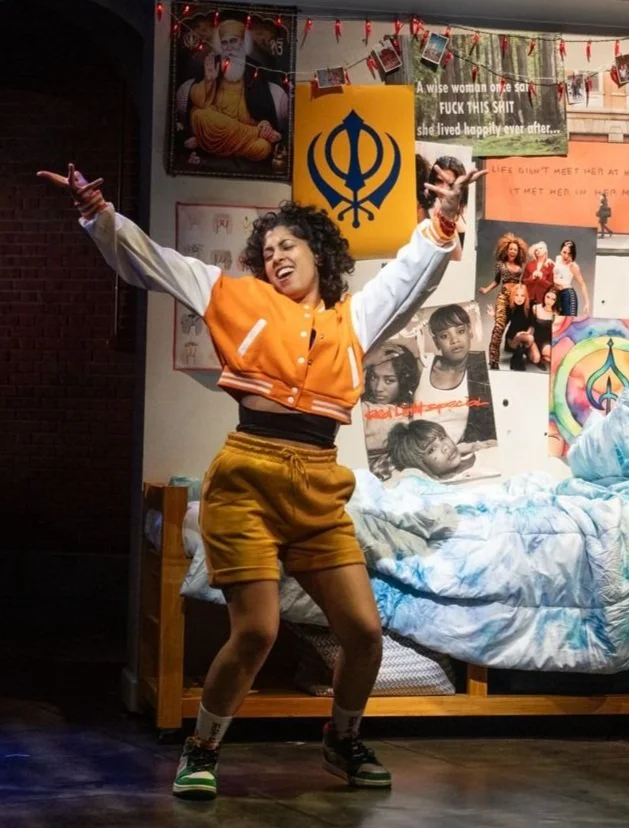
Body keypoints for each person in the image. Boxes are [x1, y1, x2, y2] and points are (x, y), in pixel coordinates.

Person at [37, 158, 482, 800]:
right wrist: (95, 214)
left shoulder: (351, 321)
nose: (276, 256)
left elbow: (411, 273)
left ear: (318, 253)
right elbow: (152, 261)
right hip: (247, 480)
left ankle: (343, 737)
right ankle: (203, 746)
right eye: (267, 249)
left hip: (319, 487)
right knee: (257, 631)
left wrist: (442, 218)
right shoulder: (233, 298)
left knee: (363, 631)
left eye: (288, 244)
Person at [181, 18, 287, 164]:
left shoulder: (254, 68)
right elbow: (198, 102)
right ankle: (251, 134)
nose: (229, 47)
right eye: (224, 43)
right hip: (217, 123)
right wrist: (208, 80)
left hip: (245, 123)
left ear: (243, 44)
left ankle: (207, 142)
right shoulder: (213, 63)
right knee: (200, 115)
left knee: (263, 148)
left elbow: (264, 105)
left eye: (233, 41)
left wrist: (264, 123)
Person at [415, 303, 496, 444]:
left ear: (470, 332)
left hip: (454, 451)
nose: (455, 340)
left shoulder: (482, 370)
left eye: (460, 331)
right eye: (445, 336)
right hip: (416, 447)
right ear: (436, 342)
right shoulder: (423, 365)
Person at [480, 232, 528, 367]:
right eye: (511, 249)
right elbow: (496, 281)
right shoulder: (500, 264)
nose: (512, 251)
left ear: (519, 252)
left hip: (516, 300)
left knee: (518, 326)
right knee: (499, 327)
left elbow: (524, 283)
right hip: (503, 297)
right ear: (506, 250)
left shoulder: (521, 267)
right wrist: (486, 290)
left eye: (515, 250)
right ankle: (493, 361)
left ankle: (517, 354)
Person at [385, 419, 476, 481]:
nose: (445, 447)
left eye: (442, 437)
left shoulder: (482, 458)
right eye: (432, 449)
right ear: (418, 464)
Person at [501, 284, 540, 371]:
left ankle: (517, 355)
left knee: (536, 359)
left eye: (522, 295)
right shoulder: (510, 307)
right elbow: (504, 322)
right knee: (528, 338)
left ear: (526, 296)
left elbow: (533, 324)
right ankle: (519, 355)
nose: (519, 298)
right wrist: (494, 316)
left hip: (527, 337)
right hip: (513, 338)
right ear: (513, 295)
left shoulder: (530, 305)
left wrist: (526, 333)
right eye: (516, 295)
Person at [551, 239, 590, 317]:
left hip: (568, 295)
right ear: (560, 250)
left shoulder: (573, 266)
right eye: (564, 252)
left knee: (567, 324)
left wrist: (587, 303)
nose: (566, 256)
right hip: (557, 294)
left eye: (569, 253)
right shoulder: (558, 259)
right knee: (557, 323)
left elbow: (582, 284)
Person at [532, 286, 559, 369]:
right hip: (539, 340)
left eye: (553, 299)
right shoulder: (536, 308)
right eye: (548, 297)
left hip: (551, 340)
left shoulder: (557, 313)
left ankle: (546, 357)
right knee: (552, 355)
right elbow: (530, 325)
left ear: (556, 301)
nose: (549, 301)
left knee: (557, 356)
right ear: (544, 296)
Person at [523, 240, 554, 307]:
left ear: (545, 250)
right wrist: (532, 277)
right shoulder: (529, 264)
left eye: (540, 248)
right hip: (529, 297)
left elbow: (552, 285)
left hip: (543, 299)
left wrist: (541, 279)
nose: (538, 251)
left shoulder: (550, 265)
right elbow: (524, 281)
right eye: (536, 250)